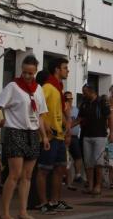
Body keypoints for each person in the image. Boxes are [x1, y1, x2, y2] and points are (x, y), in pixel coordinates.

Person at [0, 54, 51, 219]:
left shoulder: (38, 89)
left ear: (35, 72)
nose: (27, 76)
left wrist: (44, 137)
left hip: (33, 134)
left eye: (30, 73)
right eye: (25, 72)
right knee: (14, 174)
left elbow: (40, 115)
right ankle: (4, 213)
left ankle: (23, 212)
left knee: (27, 175)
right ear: (21, 70)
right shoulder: (12, 86)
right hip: (15, 131)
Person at [35, 57, 73, 214]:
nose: (67, 70)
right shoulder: (48, 87)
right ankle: (43, 203)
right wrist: (45, 129)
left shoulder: (58, 88)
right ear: (57, 69)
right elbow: (37, 109)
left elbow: (58, 112)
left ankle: (55, 201)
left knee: (60, 169)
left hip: (59, 136)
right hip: (49, 137)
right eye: (65, 68)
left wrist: (67, 127)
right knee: (43, 170)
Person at [76, 86, 113, 196]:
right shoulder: (84, 104)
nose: (83, 94)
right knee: (88, 162)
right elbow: (79, 119)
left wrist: (111, 133)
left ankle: (98, 186)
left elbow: (109, 117)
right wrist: (68, 128)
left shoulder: (102, 102)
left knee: (98, 162)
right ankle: (90, 186)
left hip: (100, 136)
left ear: (92, 92)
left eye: (85, 92)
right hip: (86, 136)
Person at [64, 91, 84, 190]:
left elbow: (80, 121)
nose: (69, 100)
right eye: (67, 99)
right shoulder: (62, 109)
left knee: (78, 156)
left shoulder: (76, 110)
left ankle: (78, 175)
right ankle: (66, 179)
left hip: (75, 136)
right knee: (65, 159)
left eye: (70, 99)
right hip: (64, 137)